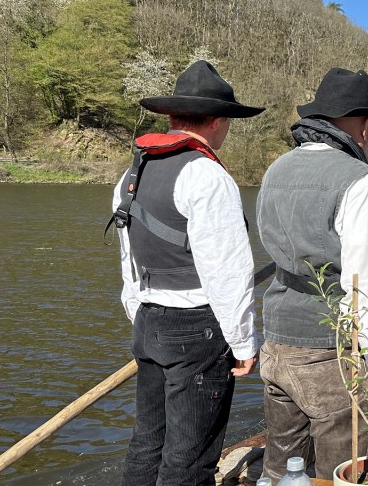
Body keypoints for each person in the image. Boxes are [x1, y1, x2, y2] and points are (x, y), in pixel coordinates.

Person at [110, 60, 263, 486]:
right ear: (217, 122)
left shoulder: (131, 174)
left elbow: (129, 258)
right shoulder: (207, 175)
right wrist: (242, 341)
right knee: (190, 457)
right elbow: (227, 270)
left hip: (148, 320)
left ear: (173, 117)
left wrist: (139, 311)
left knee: (148, 442)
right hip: (197, 326)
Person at [256, 67, 368, 481]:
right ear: (366, 123)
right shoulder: (360, 182)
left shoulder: (275, 170)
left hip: (277, 341)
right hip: (329, 352)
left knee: (280, 468)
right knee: (344, 471)